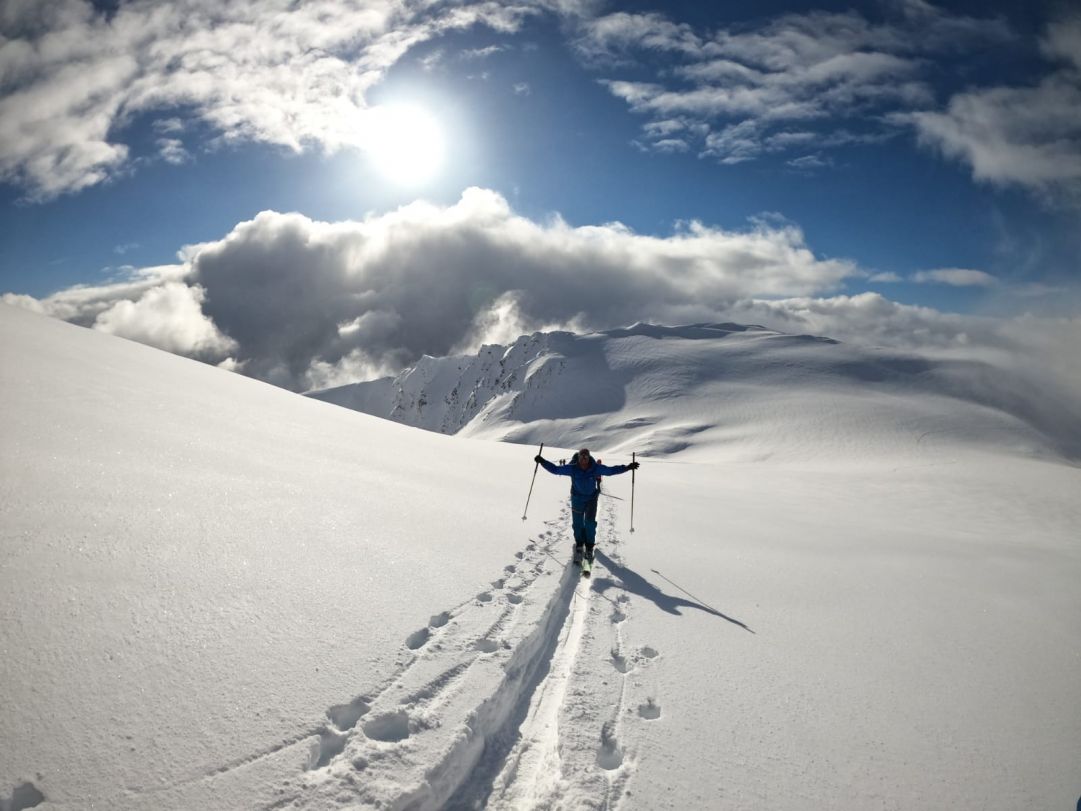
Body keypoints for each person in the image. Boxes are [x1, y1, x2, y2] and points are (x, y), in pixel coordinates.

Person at [534, 449, 639, 564]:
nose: (584, 459)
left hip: (591, 499)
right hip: (577, 499)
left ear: (589, 458)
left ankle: (589, 545)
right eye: (582, 457)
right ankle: (579, 544)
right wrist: (542, 461)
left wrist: (627, 467)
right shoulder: (572, 468)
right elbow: (555, 469)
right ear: (578, 458)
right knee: (578, 523)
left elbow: (610, 470)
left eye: (586, 457)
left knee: (589, 523)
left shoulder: (595, 468)